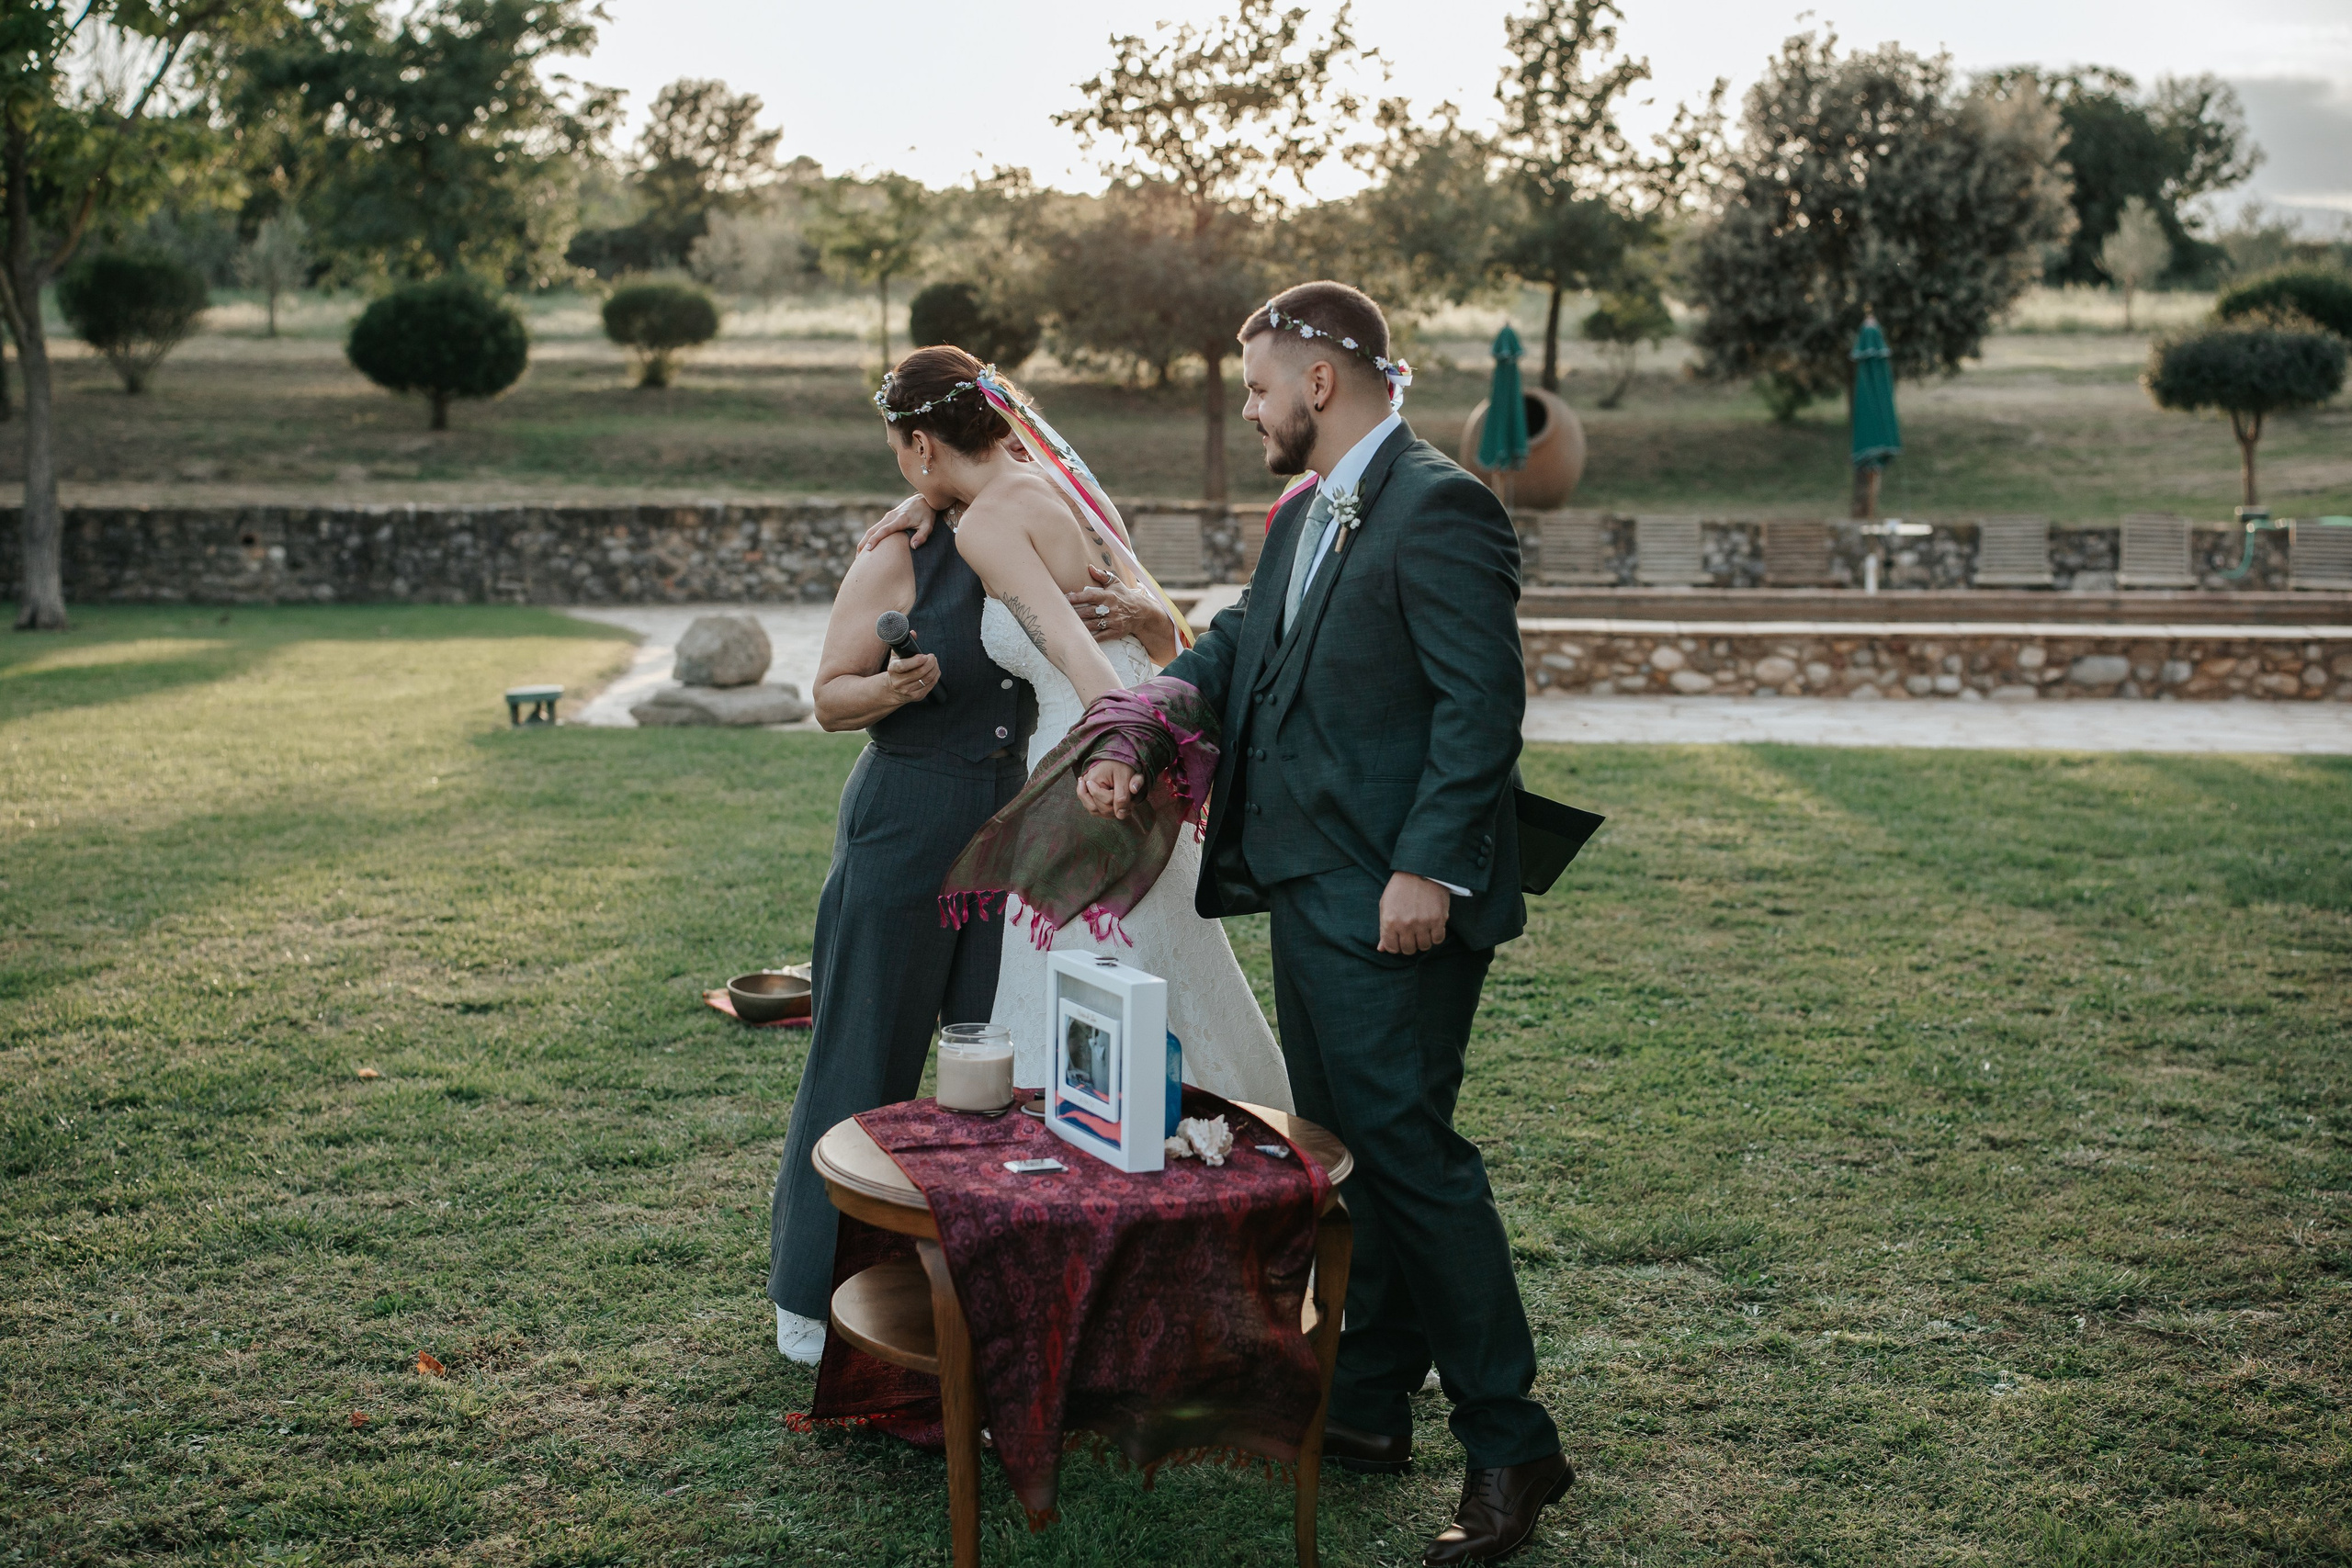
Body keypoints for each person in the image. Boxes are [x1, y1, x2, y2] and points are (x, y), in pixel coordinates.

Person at [1080, 281, 1567, 1566]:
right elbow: (1244, 644)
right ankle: (1362, 1406)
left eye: (1255, 388)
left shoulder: (1442, 504)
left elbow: (1481, 707)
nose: (1249, 411)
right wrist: (1149, 712)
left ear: (1319, 382)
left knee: (1412, 1158)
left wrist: (1429, 868)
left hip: (1392, 900)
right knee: (1357, 1147)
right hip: (1308, 884)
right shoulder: (1312, 509)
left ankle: (1512, 1439)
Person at [862, 346, 1291, 1111]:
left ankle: (1102, 1161)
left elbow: (1076, 655)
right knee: (1168, 964)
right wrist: (930, 501)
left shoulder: (988, 525)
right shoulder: (1062, 487)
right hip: (1150, 730)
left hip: (1093, 757)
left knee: (1083, 966)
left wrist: (1112, 755)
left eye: (901, 454)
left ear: (922, 444)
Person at [763, 482, 1033, 1367]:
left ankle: (968, 1274)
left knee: (989, 1057)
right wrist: (890, 687)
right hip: (906, 819)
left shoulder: (1030, 524)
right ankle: (809, 1291)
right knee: (864, 1049)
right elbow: (829, 699)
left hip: (1008, 824)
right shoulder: (898, 551)